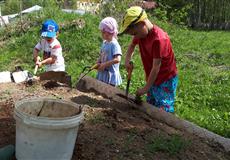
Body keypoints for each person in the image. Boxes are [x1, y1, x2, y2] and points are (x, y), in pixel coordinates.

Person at [119, 6, 178, 113]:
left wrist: (145, 88)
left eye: (134, 33)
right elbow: (132, 46)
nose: (135, 37)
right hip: (152, 76)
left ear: (142, 23)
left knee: (163, 107)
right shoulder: (140, 33)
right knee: (151, 104)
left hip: (165, 78)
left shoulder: (159, 39)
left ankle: (165, 127)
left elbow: (156, 67)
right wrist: (127, 61)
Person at [96, 17, 122, 86]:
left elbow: (117, 59)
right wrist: (98, 61)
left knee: (109, 93)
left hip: (110, 74)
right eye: (102, 32)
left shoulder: (114, 44)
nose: (102, 34)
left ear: (110, 32)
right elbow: (102, 54)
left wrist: (104, 64)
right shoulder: (104, 43)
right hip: (103, 73)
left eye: (104, 32)